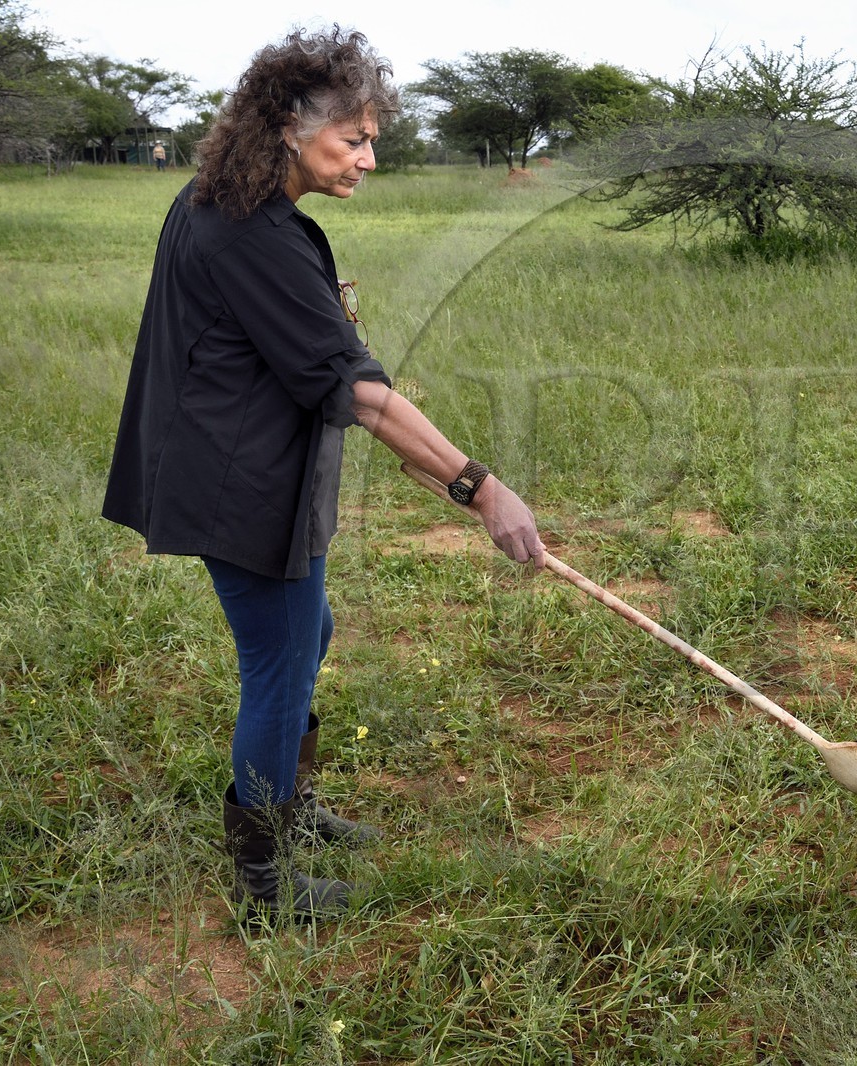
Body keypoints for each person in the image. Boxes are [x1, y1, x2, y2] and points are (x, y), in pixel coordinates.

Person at [102, 27, 545, 925]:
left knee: (311, 633)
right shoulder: (246, 234)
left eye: (371, 138)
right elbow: (364, 396)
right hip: (240, 485)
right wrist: (481, 489)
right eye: (353, 139)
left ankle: (290, 809)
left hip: (251, 465)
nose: (370, 159)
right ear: (284, 131)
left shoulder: (219, 203)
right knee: (281, 661)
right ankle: (265, 882)